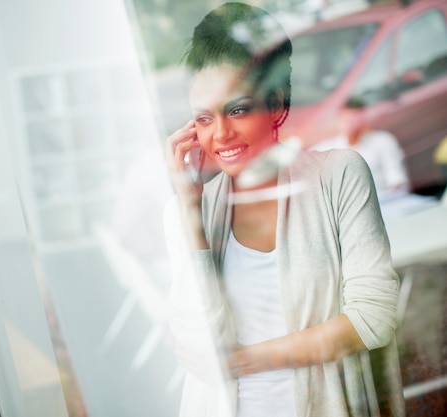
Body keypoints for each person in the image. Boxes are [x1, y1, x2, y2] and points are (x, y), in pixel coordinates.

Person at [163, 3, 404, 416]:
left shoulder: (337, 175)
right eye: (204, 118)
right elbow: (198, 352)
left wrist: (249, 359)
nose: (221, 134)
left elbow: (374, 317)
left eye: (238, 109)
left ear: (276, 104)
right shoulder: (190, 211)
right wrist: (188, 209)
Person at [312, 110, 410, 202]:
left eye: (354, 119)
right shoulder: (327, 148)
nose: (351, 124)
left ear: (363, 120)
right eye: (346, 120)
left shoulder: (383, 141)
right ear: (339, 123)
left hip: (384, 201)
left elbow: (397, 179)